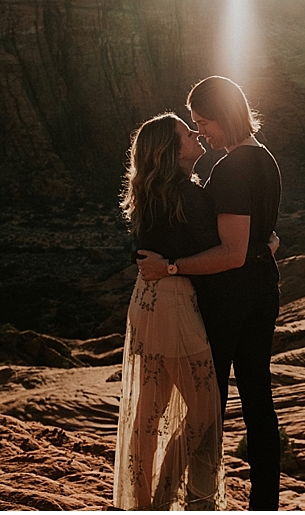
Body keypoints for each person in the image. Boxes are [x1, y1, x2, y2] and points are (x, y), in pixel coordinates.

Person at [138, 75, 283, 511]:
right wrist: (265, 247)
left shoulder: (234, 167)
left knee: (206, 406)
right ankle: (264, 504)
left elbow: (232, 252)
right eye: (194, 125)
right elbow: (259, 237)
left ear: (226, 116)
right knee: (257, 397)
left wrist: (172, 267)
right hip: (261, 291)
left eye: (204, 122)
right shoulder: (265, 159)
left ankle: (169, 499)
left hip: (230, 300)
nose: (201, 132)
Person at [113, 112, 225, 510]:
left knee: (149, 411)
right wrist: (265, 246)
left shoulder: (151, 192)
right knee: (207, 404)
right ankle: (164, 496)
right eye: (186, 132)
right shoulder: (187, 196)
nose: (196, 134)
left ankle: (141, 505)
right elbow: (222, 251)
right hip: (174, 303)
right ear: (171, 151)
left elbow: (148, 248)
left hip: (145, 300)